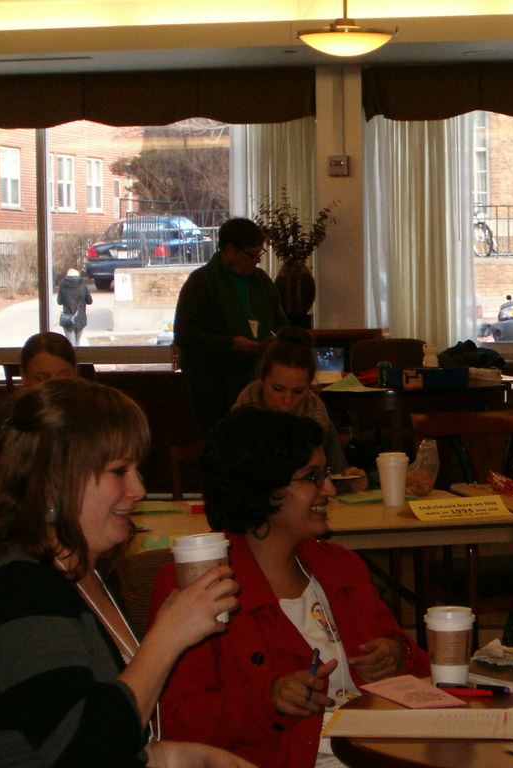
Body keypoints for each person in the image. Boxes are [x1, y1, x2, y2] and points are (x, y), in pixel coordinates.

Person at [0, 377, 250, 768]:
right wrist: (168, 636)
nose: (138, 489)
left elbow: (107, 729)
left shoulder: (81, 574)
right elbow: (84, 751)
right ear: (54, 480)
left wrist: (179, 756)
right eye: (119, 471)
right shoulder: (18, 584)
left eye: (137, 469)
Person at [148, 407, 429, 768]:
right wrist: (267, 700)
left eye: (325, 474)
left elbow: (414, 664)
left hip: (380, 753)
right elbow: (174, 722)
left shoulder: (340, 566)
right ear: (261, 487)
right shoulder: (199, 585)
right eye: (312, 477)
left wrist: (396, 654)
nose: (329, 489)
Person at [175, 217, 288, 437]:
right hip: (214, 387)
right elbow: (184, 335)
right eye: (251, 255)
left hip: (257, 380)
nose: (256, 261)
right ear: (229, 250)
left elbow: (281, 323)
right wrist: (230, 344)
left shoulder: (261, 280)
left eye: (259, 254)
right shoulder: (201, 282)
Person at [233, 326, 368, 492]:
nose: (287, 400)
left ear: (309, 386)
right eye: (278, 389)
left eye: (298, 391)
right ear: (262, 380)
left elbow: (338, 481)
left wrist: (352, 482)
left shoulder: (320, 422)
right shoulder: (239, 425)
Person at [0, 331, 79, 506]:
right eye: (42, 378)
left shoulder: (95, 418)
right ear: (24, 376)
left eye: (64, 376)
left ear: (75, 373)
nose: (53, 386)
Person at [57, 267, 93, 346]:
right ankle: (77, 353)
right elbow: (89, 301)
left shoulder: (63, 286)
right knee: (77, 343)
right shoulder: (82, 286)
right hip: (80, 317)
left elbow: (59, 301)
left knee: (70, 344)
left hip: (67, 318)